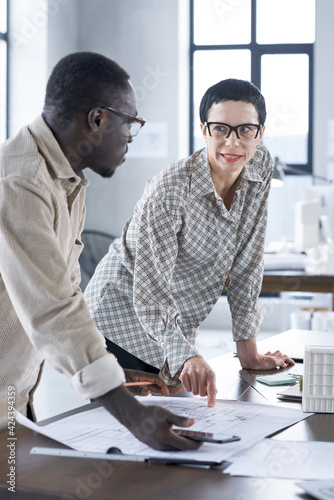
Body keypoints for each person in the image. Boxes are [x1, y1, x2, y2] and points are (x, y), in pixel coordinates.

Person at [0, 52, 201, 452]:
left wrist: (112, 377)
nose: (132, 135)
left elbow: (61, 299)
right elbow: (53, 312)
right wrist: (133, 417)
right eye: (131, 122)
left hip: (15, 403)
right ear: (98, 119)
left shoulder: (68, 178)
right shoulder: (19, 181)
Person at [84, 78, 295, 407]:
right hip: (117, 319)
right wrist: (186, 356)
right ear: (204, 129)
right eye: (221, 129)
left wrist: (248, 352)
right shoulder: (172, 190)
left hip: (172, 328)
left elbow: (248, 261)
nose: (233, 142)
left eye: (245, 130)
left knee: (180, 431)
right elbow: (150, 290)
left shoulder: (260, 166)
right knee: (125, 440)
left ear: (260, 132)